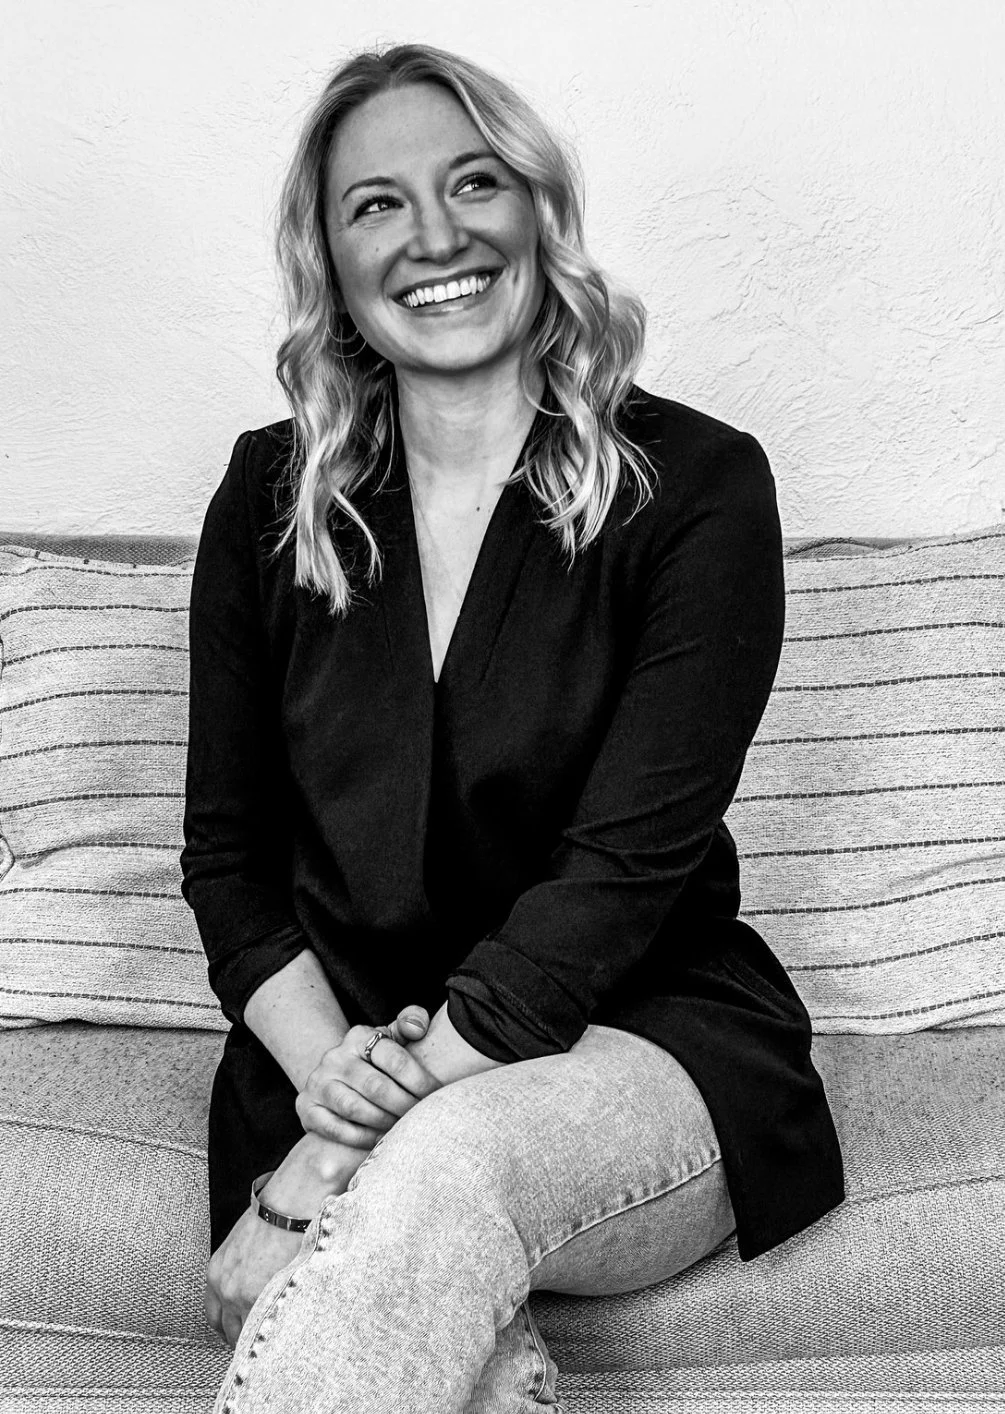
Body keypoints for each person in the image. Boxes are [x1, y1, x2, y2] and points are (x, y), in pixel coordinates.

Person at [180, 41, 844, 1413]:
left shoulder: (700, 490)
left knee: (446, 1165)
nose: (436, 236)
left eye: (472, 183)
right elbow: (228, 865)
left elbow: (613, 884)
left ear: (537, 211)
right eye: (378, 204)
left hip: (645, 1046)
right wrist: (327, 1077)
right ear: (331, 259)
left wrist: (328, 1158)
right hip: (330, 1055)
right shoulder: (267, 495)